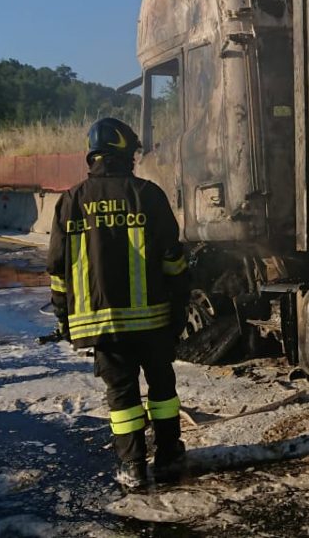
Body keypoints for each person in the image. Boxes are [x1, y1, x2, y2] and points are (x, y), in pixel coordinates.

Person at [47, 117, 191, 489]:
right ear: (124, 153)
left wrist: (64, 318)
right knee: (162, 389)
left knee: (122, 394)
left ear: (93, 156)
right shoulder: (148, 194)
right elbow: (173, 260)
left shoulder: (70, 202)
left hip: (102, 325)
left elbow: (57, 270)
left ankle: (132, 466)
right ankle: (170, 456)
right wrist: (179, 308)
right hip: (154, 320)